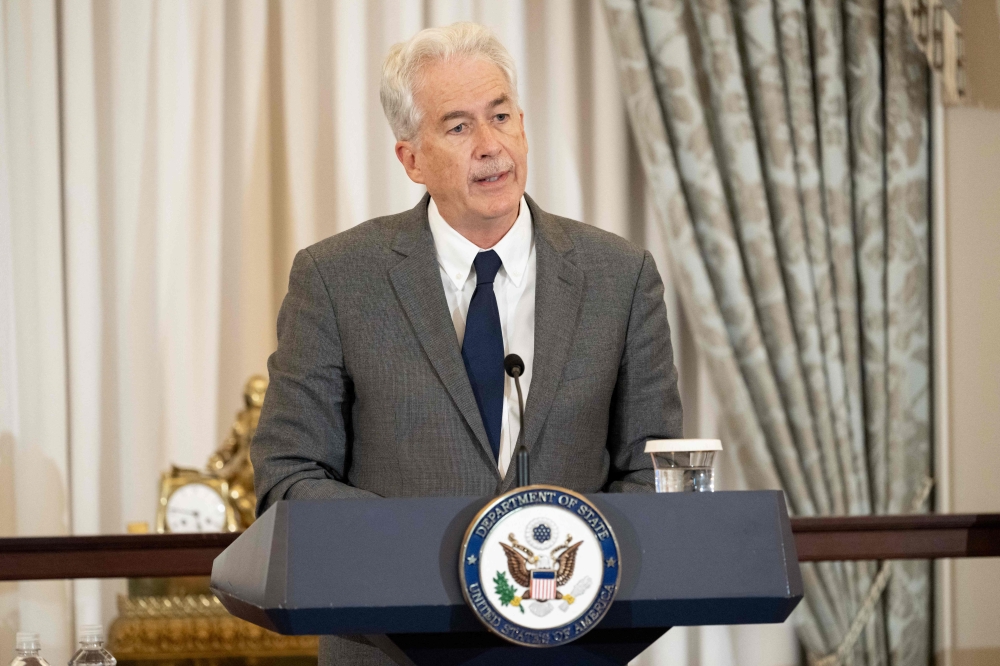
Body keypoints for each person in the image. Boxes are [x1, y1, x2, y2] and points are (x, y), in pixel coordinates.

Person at [250, 22, 683, 666]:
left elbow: (654, 468)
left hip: (575, 648)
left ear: (524, 126)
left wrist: (569, 576)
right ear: (411, 159)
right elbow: (288, 477)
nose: (491, 146)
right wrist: (434, 547)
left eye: (501, 116)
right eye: (458, 127)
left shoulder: (619, 276)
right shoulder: (337, 279)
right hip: (391, 648)